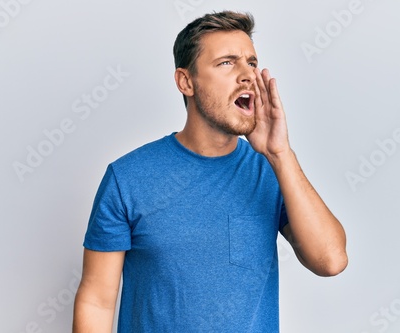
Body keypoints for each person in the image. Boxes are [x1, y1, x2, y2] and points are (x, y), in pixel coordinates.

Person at [73, 10, 347, 333]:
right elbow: (97, 300)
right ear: (185, 81)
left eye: (252, 63)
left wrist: (281, 153)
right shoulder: (127, 179)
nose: (247, 75)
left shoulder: (272, 173)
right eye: (227, 63)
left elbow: (331, 260)